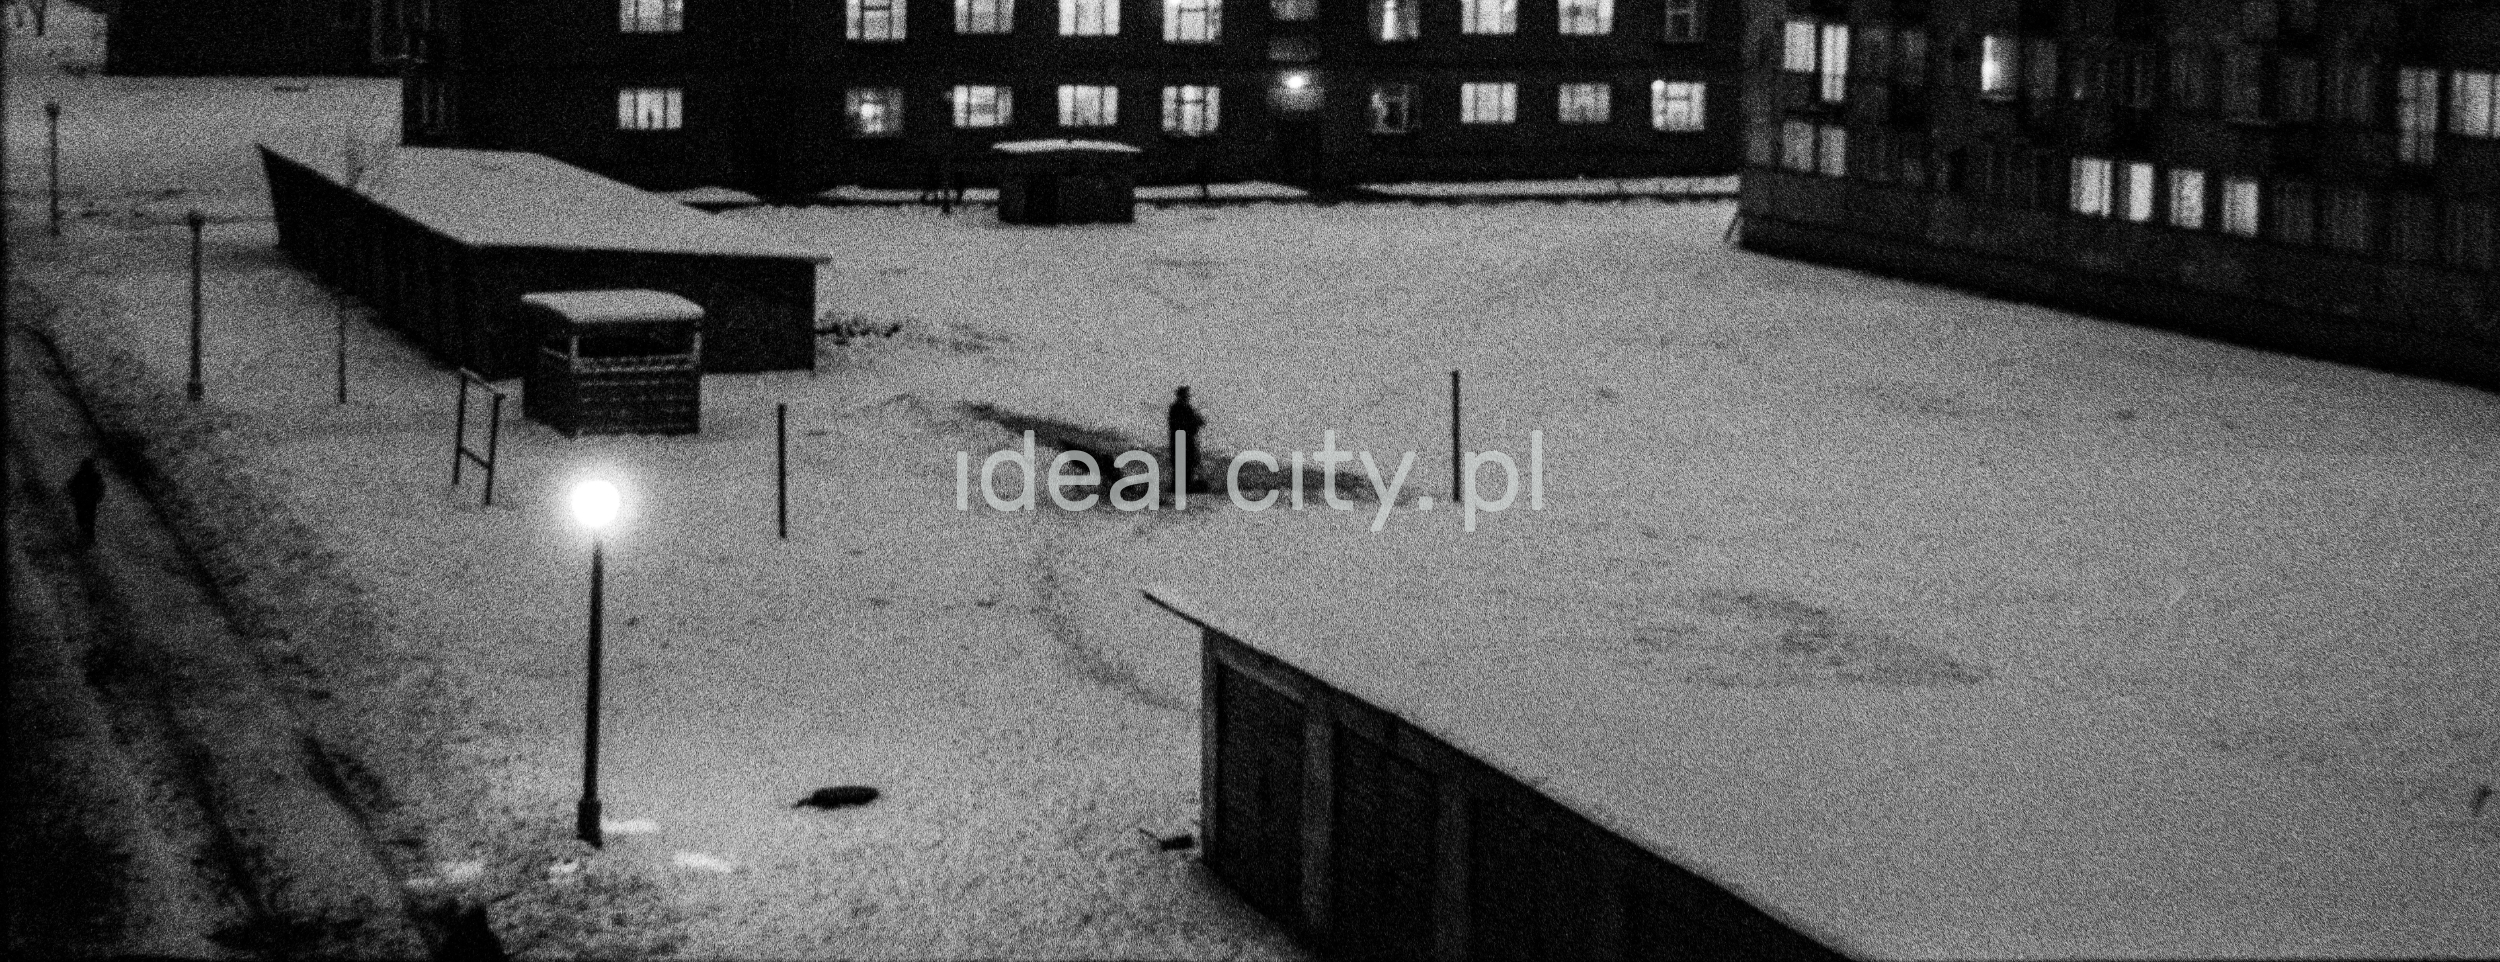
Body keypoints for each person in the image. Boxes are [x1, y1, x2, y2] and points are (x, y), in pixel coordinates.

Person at [1167, 387, 1206, 496]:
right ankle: (1183, 487)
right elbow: (1192, 424)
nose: (1187, 397)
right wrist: (1197, 421)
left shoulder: (1175, 408)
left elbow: (1175, 425)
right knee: (1187, 464)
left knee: (1180, 464)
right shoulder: (1185, 408)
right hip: (1185, 440)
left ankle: (1178, 487)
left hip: (1178, 439)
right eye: (1186, 396)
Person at [66, 456, 104, 546]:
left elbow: (71, 486)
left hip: (82, 501)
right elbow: (100, 488)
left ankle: (85, 539)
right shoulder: (94, 476)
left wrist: (72, 495)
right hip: (88, 502)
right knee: (88, 520)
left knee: (83, 520)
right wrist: (98, 497)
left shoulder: (81, 475)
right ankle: (88, 539)